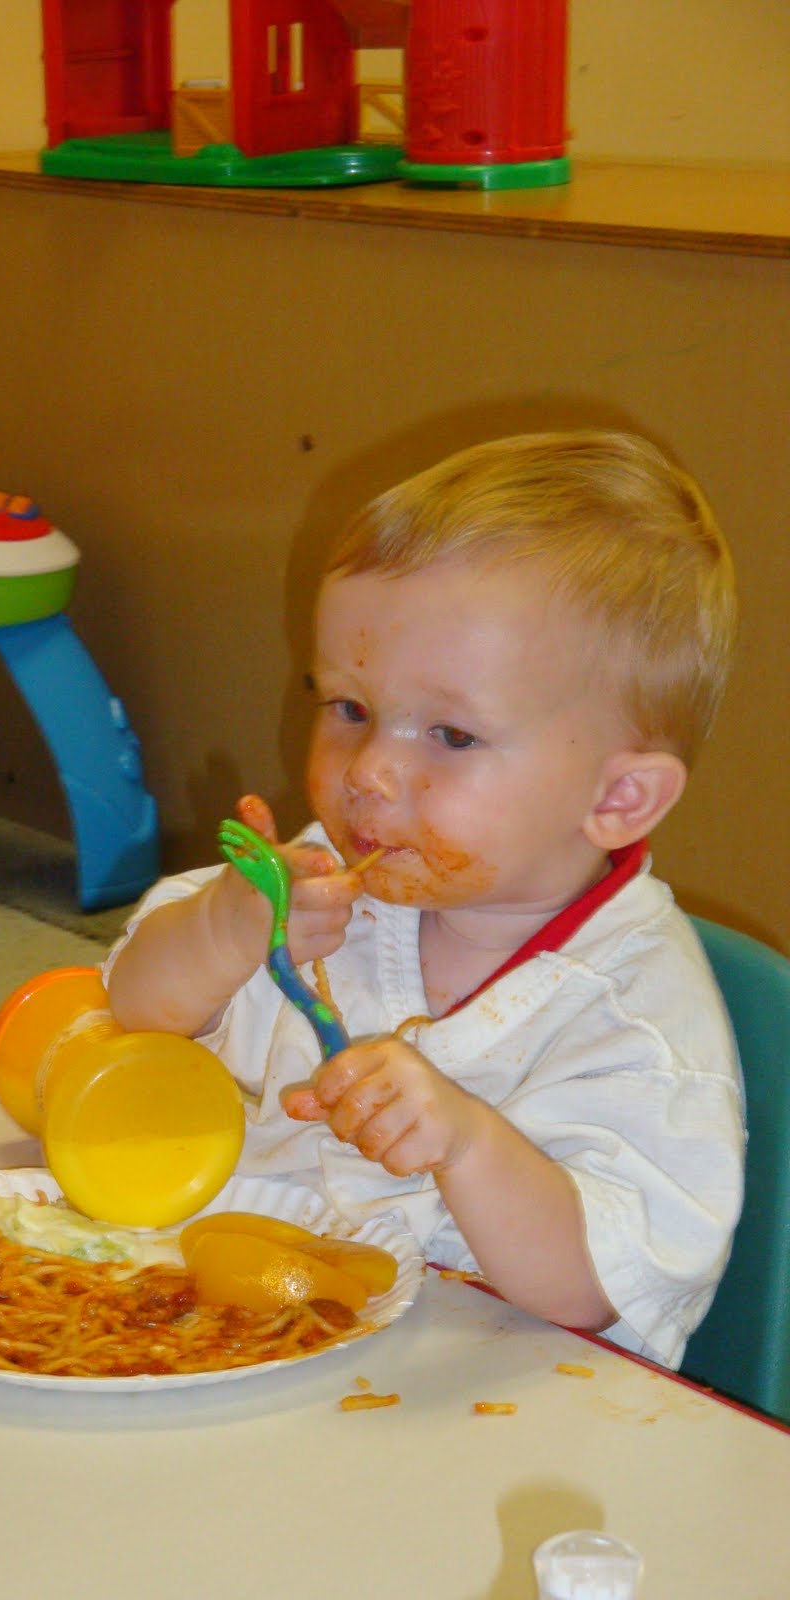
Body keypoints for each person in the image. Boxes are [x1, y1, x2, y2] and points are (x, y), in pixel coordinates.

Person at [105, 430, 744, 1368]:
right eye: (350, 709)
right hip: (237, 1337)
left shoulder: (640, 1025)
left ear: (617, 799)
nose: (368, 771)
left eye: (450, 734)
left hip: (478, 1403)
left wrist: (469, 1146)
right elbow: (133, 1009)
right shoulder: (324, 874)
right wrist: (225, 926)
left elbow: (597, 1286)